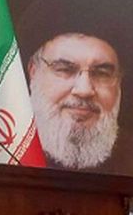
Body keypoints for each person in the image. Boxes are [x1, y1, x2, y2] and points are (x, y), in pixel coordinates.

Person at [27, 32, 122, 170]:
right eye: (65, 70)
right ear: (34, 72)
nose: (84, 90)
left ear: (119, 83)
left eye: (102, 73)